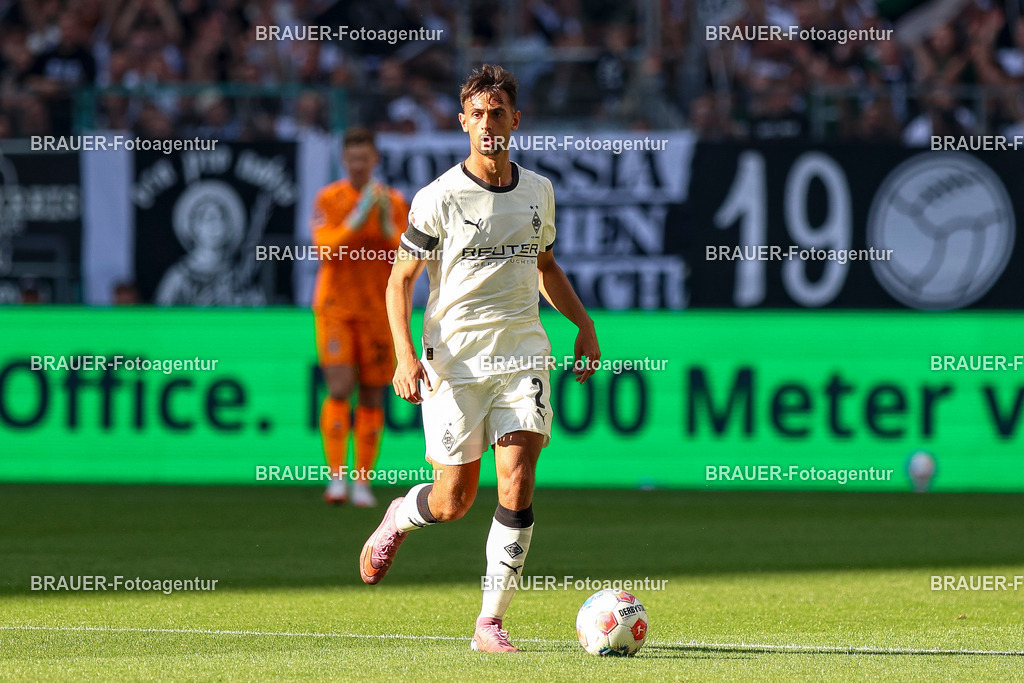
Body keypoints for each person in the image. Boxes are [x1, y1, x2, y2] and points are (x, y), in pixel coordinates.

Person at [359, 65, 600, 653]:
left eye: (499, 113)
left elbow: (544, 267)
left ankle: (489, 622)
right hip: (456, 363)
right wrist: (404, 358)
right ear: (462, 121)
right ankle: (399, 516)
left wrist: (584, 325)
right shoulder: (439, 197)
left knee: (517, 482)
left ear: (516, 120)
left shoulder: (539, 190)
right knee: (454, 501)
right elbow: (400, 282)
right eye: (478, 114)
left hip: (522, 354)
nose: (489, 123)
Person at [312, 126, 408, 507]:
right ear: (343, 160)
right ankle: (336, 478)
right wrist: (358, 215)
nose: (358, 165)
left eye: (364, 158)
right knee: (339, 386)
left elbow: (406, 254)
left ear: (375, 160)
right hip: (336, 307)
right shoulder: (330, 198)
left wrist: (384, 222)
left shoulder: (394, 201)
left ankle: (362, 481)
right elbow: (326, 248)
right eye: (352, 158)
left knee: (372, 393)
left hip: (378, 310)